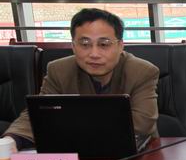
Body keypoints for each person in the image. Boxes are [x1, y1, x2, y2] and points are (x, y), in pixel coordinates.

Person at [3, 8, 159, 151]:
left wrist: (67, 122)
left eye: (104, 44)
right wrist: (12, 139)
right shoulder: (59, 70)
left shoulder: (142, 72)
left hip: (133, 154)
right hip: (75, 153)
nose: (94, 54)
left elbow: (142, 122)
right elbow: (39, 114)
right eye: (85, 44)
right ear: (73, 46)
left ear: (120, 46)